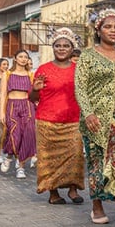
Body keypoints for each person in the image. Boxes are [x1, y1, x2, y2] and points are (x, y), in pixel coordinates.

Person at [75, 9, 115, 227]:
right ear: (98, 29)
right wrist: (88, 112)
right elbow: (80, 88)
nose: (113, 31)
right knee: (97, 162)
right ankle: (97, 207)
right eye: (108, 27)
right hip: (96, 117)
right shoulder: (87, 56)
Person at [31, 28, 84, 205]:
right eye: (58, 45)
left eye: (65, 46)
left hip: (73, 120)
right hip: (47, 121)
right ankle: (53, 193)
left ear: (72, 49)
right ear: (53, 48)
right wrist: (35, 90)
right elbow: (32, 98)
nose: (61, 49)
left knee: (75, 155)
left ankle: (73, 190)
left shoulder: (79, 70)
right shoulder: (43, 69)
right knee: (49, 159)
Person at [0, 50, 36, 179]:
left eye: (25, 57)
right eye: (20, 56)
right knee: (14, 134)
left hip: (27, 105)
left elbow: (35, 94)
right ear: (15, 58)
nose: (23, 59)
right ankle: (9, 156)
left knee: (27, 136)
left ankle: (20, 167)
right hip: (12, 106)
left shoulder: (31, 75)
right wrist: (1, 112)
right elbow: (3, 94)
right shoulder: (7, 74)